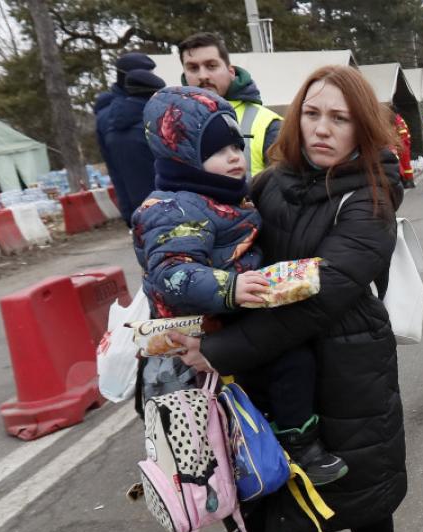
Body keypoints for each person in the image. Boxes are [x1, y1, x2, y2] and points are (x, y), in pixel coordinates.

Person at [166, 65, 407, 532]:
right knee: (258, 517)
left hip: (346, 363)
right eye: (313, 114)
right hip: (266, 376)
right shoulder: (264, 186)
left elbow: (316, 303)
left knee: (361, 492)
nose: (323, 128)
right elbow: (213, 246)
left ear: (362, 126)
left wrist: (217, 351)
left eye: (339, 118)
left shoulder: (373, 198)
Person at [132, 86, 350, 486]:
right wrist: (228, 287)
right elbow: (173, 272)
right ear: (183, 158)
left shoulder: (226, 196)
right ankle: (294, 445)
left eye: (236, 145)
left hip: (233, 312)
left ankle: (279, 441)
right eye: (218, 151)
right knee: (285, 363)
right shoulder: (172, 208)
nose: (234, 157)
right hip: (205, 325)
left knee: (290, 361)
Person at [178, 32, 283, 176]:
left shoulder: (268, 123)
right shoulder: (171, 123)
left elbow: (283, 187)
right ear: (184, 74)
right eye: (193, 68)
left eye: (211, 66)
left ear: (231, 72)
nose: (203, 76)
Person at [94, 53, 161, 222]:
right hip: (168, 205)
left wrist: (127, 211)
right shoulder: (155, 110)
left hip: (138, 209)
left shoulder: (104, 116)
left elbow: (114, 170)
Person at [391, 106, 416, 188]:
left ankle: (410, 181)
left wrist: (398, 145)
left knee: (406, 164)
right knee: (404, 164)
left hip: (403, 145)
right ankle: (406, 181)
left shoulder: (398, 120)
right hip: (402, 145)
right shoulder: (397, 119)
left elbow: (403, 134)